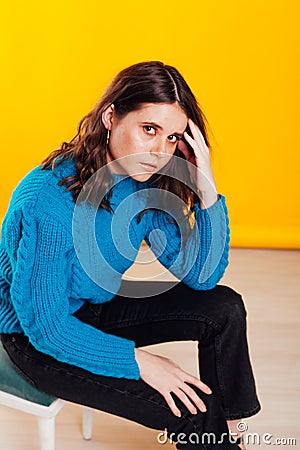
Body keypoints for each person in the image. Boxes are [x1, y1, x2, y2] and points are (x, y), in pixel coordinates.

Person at [0, 61, 260, 449]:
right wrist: (141, 361)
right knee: (194, 412)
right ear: (111, 117)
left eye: (172, 138)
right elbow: (48, 327)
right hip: (35, 340)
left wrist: (206, 192)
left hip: (91, 309)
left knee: (223, 309)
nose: (159, 151)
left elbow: (201, 278)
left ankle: (232, 435)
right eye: (148, 129)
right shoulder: (46, 201)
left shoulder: (143, 186)